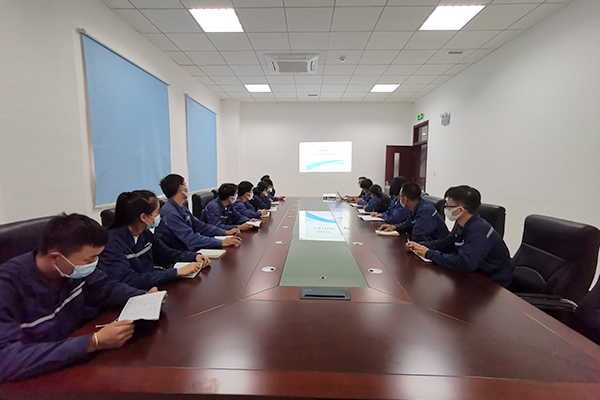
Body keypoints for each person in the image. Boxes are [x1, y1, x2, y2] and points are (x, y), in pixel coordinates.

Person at [0, 213, 157, 383]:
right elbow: (5, 360)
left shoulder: (72, 268)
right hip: (37, 379)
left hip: (77, 359)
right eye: (89, 260)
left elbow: (105, 289)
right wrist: (93, 342)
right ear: (55, 258)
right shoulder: (7, 287)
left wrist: (143, 297)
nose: (95, 263)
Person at [98, 190, 210, 290]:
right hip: (132, 295)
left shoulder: (144, 233)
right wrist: (176, 272)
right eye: (157, 213)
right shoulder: (111, 243)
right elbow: (131, 280)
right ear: (143, 217)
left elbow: (167, 254)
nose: (158, 216)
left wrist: (194, 256)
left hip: (152, 286)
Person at [407, 185, 513, 287]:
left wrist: (429, 254)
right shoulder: (461, 222)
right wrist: (420, 245)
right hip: (472, 274)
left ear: (460, 210)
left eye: (448, 206)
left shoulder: (479, 229)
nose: (446, 209)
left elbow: (465, 262)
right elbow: (448, 242)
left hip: (491, 283)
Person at [156, 174, 241, 250]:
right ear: (181, 187)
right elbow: (190, 238)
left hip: (188, 249)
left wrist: (224, 232)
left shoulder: (181, 207)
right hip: (178, 254)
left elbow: (200, 226)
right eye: (185, 184)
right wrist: (221, 242)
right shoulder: (170, 212)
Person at [380, 182, 448, 241]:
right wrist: (395, 227)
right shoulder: (415, 207)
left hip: (438, 248)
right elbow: (408, 224)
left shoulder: (425, 210)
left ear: (405, 199)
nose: (399, 199)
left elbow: (418, 236)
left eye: (400, 197)